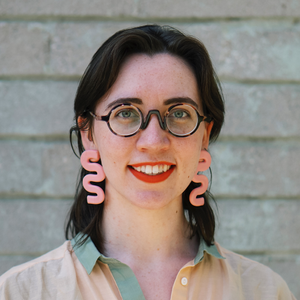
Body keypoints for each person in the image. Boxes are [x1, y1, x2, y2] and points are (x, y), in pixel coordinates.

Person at [0, 25, 296, 300]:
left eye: (179, 113)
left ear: (205, 134)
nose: (154, 142)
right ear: (89, 133)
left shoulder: (264, 291)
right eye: (125, 113)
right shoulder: (22, 291)